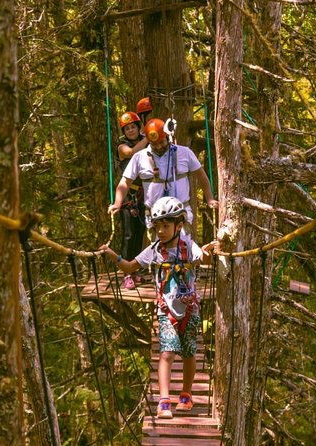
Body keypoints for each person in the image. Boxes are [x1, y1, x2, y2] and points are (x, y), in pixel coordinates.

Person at [99, 197, 215, 419]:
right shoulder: (153, 250)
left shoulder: (188, 246)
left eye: (165, 226)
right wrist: (113, 255)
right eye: (157, 226)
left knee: (190, 353)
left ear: (178, 226)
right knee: (167, 353)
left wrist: (208, 253)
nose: (160, 231)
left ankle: (186, 394)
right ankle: (164, 401)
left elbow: (204, 259)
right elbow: (130, 266)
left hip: (189, 309)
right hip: (166, 310)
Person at [108, 118, 218, 232]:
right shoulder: (139, 157)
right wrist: (117, 203)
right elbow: (125, 182)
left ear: (167, 137)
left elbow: (201, 175)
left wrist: (209, 198)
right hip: (155, 217)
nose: (159, 146)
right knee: (159, 248)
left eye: (161, 142)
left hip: (181, 213)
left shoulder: (184, 152)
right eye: (154, 144)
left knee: (182, 246)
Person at [116, 111, 149, 289]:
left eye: (133, 127)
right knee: (128, 235)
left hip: (143, 194)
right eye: (127, 128)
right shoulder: (122, 145)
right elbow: (130, 153)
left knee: (139, 233)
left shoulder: (146, 141)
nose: (130, 131)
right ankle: (125, 273)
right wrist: (148, 138)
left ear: (138, 127)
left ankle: (134, 270)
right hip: (128, 196)